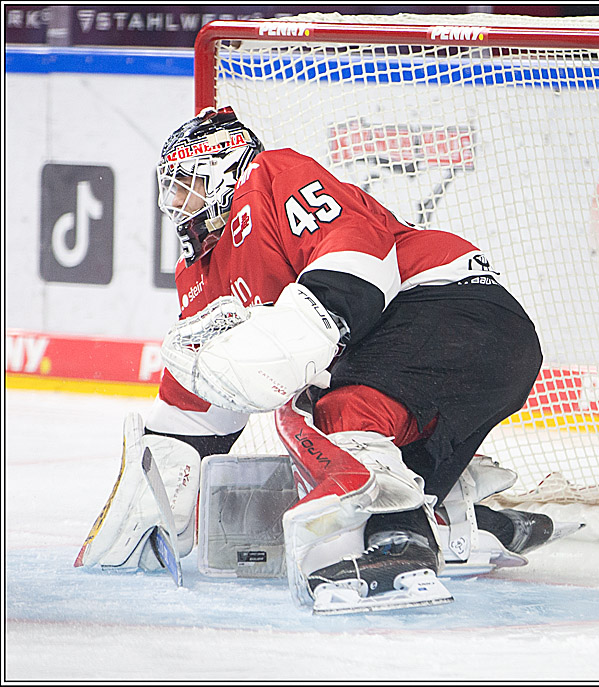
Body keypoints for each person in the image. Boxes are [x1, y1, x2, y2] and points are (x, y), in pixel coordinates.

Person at [75, 106, 573, 613]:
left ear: (224, 171)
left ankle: (403, 543)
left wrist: (296, 332)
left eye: (187, 185)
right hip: (468, 356)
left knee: (321, 412)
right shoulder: (199, 274)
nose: (177, 204)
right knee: (330, 424)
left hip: (452, 308)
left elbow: (356, 255)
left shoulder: (269, 176)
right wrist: (158, 483)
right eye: (171, 191)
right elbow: (203, 407)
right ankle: (458, 520)